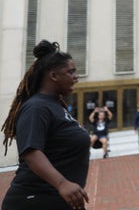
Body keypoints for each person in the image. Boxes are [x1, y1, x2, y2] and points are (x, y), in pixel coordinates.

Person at [1, 40, 90, 210]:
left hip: (59, 200)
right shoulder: (37, 107)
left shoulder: (55, 106)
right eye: (70, 72)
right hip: (35, 200)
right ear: (54, 76)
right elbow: (31, 151)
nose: (76, 76)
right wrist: (62, 183)